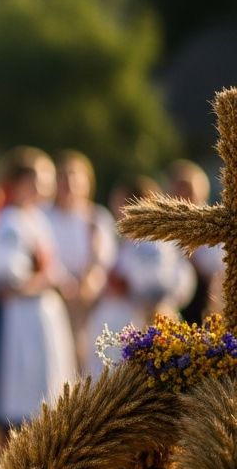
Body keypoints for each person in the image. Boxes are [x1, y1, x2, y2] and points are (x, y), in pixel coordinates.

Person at [0, 147, 76, 454]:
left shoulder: (34, 218)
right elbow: (5, 279)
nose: (49, 187)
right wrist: (47, 281)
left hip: (35, 321)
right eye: (43, 180)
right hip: (18, 324)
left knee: (37, 405)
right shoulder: (10, 222)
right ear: (23, 183)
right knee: (13, 409)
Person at [86, 176, 197, 373]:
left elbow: (161, 285)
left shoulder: (152, 242)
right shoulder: (128, 241)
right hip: (118, 327)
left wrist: (127, 286)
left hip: (139, 328)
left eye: (120, 203)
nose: (116, 210)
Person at [43, 151, 116, 373]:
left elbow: (104, 261)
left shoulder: (97, 218)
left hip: (88, 303)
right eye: (63, 177)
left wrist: (87, 285)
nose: (69, 184)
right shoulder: (44, 216)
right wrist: (63, 282)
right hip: (53, 294)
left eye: (75, 177)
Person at [166, 159, 223, 324]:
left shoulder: (215, 231)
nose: (184, 198)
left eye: (189, 192)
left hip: (204, 309)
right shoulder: (158, 233)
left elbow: (217, 272)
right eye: (178, 192)